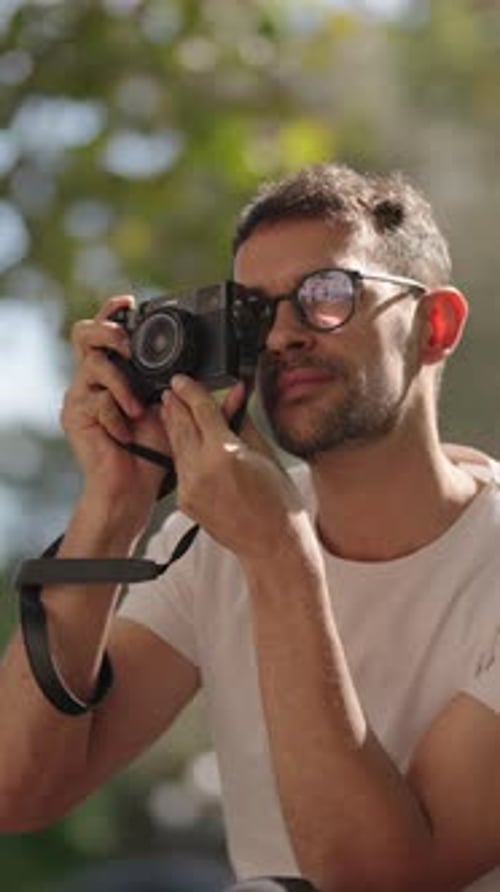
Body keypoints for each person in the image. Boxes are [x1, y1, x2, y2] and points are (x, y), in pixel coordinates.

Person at [0, 162, 499, 892]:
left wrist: (279, 553)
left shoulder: (262, 536)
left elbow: (379, 880)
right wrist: (114, 504)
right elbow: (19, 791)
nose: (282, 336)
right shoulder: (211, 543)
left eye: (326, 295)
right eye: (254, 312)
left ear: (435, 325)